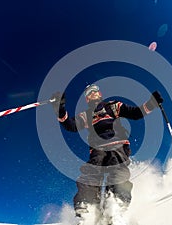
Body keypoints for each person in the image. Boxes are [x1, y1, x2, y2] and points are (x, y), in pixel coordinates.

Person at [51, 84, 163, 221]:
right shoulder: (87, 115)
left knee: (116, 168)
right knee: (91, 172)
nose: (92, 94)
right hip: (97, 149)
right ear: (86, 99)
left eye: (94, 91)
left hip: (117, 145)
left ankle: (116, 207)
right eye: (88, 93)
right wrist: (60, 109)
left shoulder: (113, 106)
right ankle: (87, 210)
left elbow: (135, 113)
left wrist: (152, 103)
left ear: (100, 93)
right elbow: (71, 125)